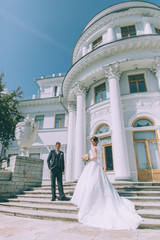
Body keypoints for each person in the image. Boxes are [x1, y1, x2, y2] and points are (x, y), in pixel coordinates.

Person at [71, 136, 142, 230]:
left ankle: (90, 202)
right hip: (94, 166)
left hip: (93, 165)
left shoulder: (94, 148)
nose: (92, 143)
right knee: (92, 183)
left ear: (96, 142)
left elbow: (95, 157)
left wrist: (88, 159)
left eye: (93, 141)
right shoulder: (97, 148)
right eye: (91, 141)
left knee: (92, 184)